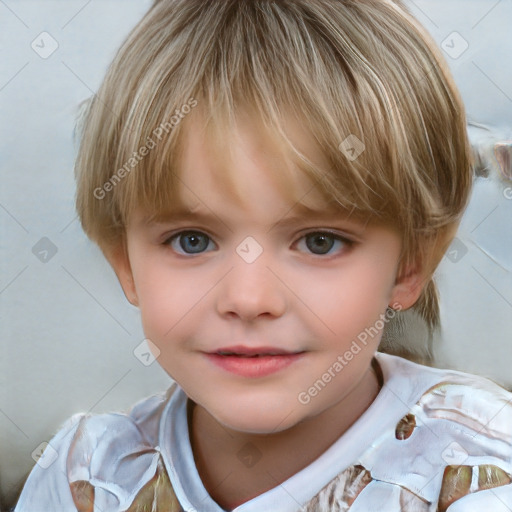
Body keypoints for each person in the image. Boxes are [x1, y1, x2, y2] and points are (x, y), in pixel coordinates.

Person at [15, 0, 512, 510]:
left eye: (320, 241)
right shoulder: (86, 481)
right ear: (126, 263)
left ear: (411, 265)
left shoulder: (481, 477)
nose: (249, 299)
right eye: (193, 240)